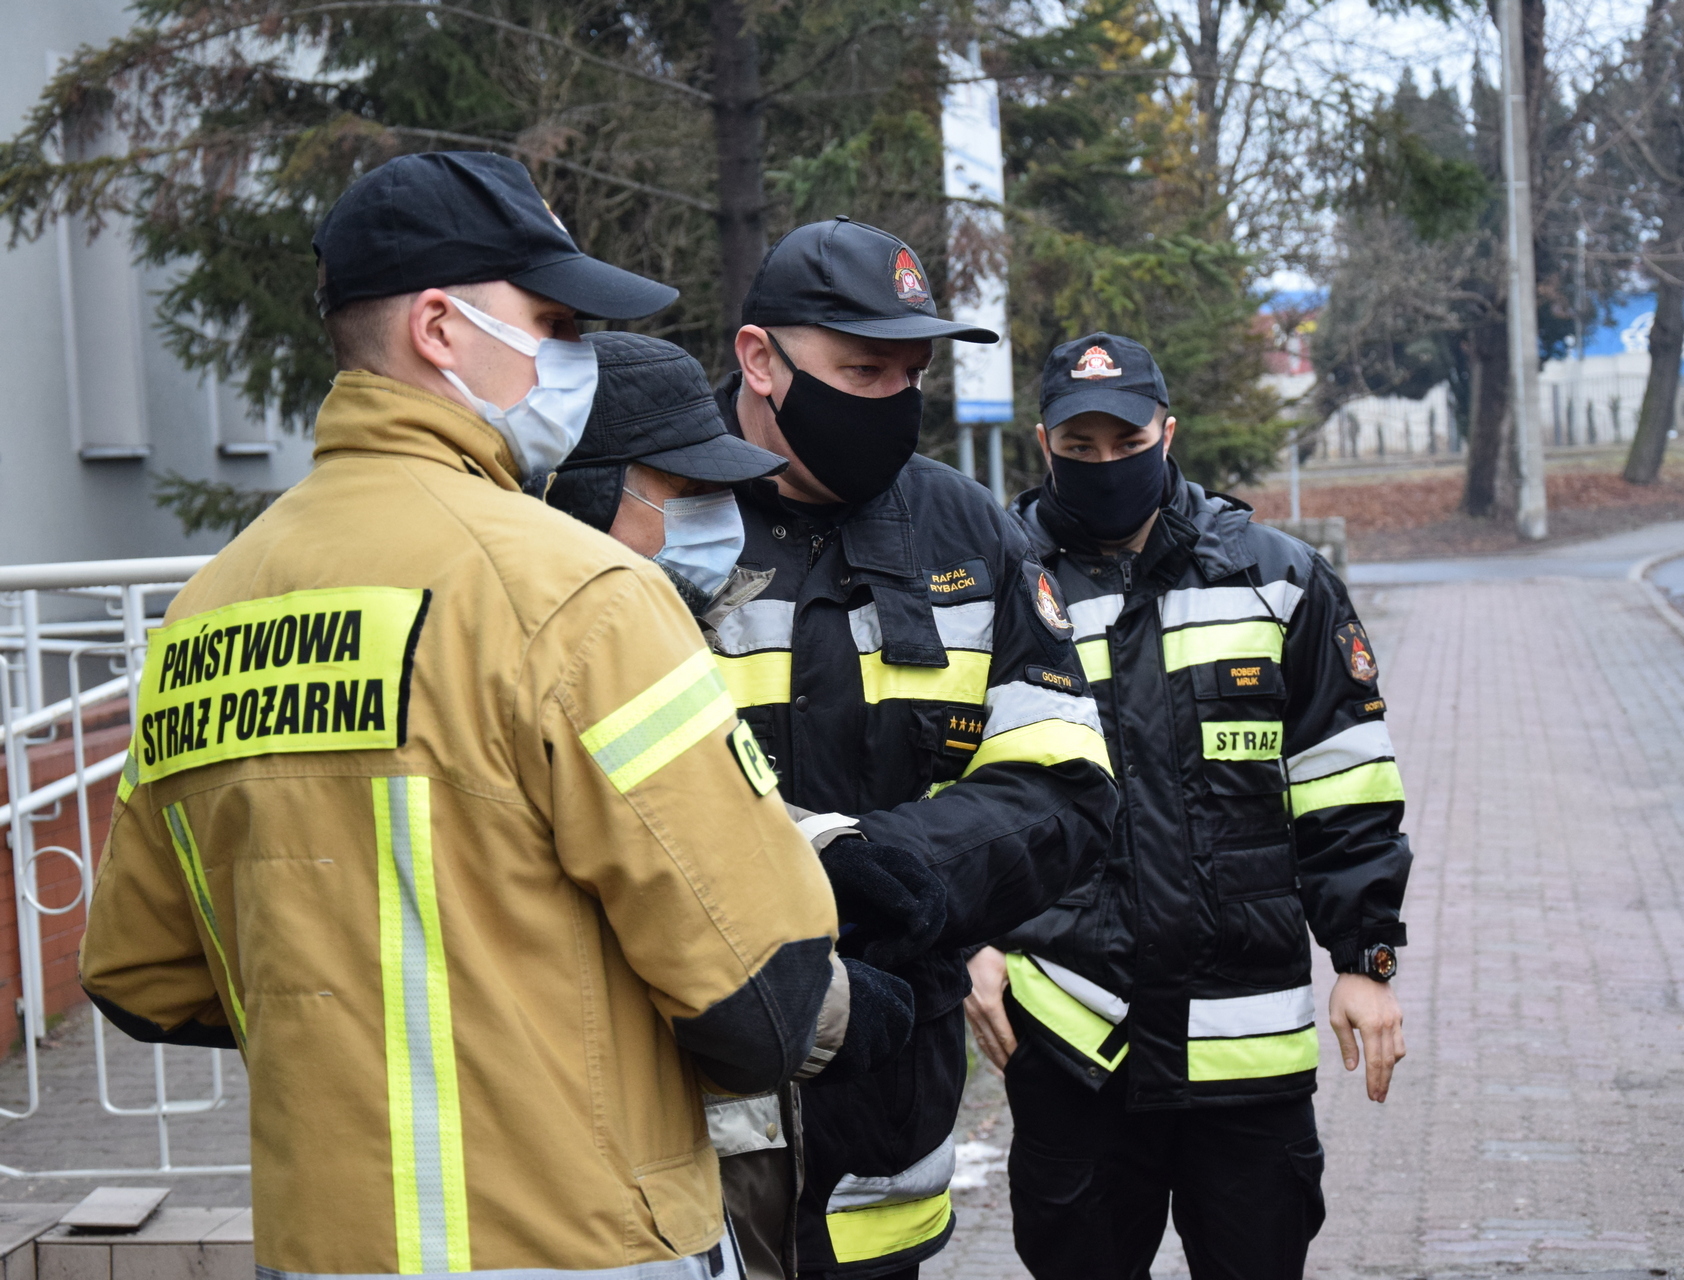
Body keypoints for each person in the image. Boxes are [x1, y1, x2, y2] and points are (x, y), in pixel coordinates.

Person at [80, 151, 842, 1280]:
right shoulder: (576, 594)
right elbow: (764, 994)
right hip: (584, 1242)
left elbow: (144, 976)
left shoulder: (205, 612)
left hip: (322, 1246)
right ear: (439, 326)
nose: (576, 357)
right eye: (553, 320)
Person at [712, 218, 1119, 1280]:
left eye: (910, 374)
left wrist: (904, 872)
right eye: (861, 369)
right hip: (689, 1133)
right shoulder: (652, 514)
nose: (892, 399)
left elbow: (1067, 789)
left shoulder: (970, 531)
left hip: (885, 1116)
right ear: (760, 359)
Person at [964, 332, 1412, 1280]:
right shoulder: (998, 585)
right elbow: (950, 789)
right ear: (1044, 444)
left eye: (1126, 445)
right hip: (1073, 1041)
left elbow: (1346, 779)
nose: (1104, 466)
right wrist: (965, 943)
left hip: (1245, 1056)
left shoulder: (1278, 579)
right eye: (1079, 449)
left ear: (1168, 433)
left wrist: (1366, 957)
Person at [544, 330, 938, 1280]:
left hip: (699, 1176)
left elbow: (683, 809)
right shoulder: (566, 642)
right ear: (592, 491)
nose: (721, 523)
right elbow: (669, 898)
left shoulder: (639, 629)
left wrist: (823, 845)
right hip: (590, 1187)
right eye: (687, 496)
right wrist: (833, 1012)